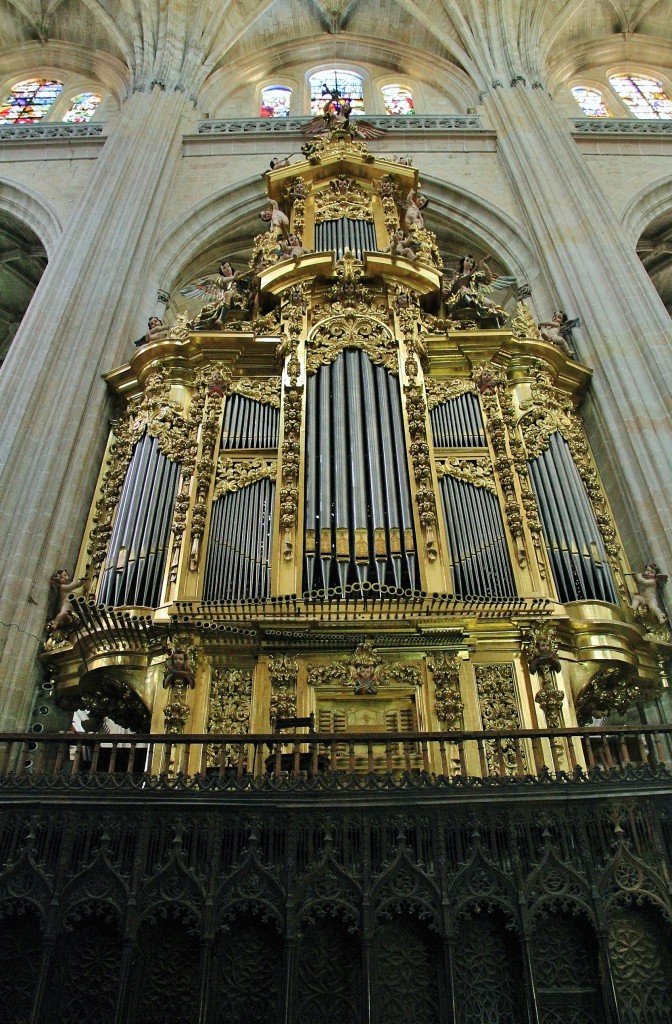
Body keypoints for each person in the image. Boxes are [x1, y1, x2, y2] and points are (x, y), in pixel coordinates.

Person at [443, 254, 507, 323]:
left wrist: (485, 268)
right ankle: (474, 304)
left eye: (471, 262)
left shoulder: (475, 275)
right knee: (463, 289)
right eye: (467, 261)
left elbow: (488, 279)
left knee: (490, 305)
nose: (469, 263)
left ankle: (497, 321)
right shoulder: (457, 277)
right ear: (463, 262)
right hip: (459, 298)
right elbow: (450, 289)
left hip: (475, 295)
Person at [47, 569, 85, 634]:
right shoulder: (62, 586)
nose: (65, 577)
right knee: (63, 613)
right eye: (62, 577)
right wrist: (76, 579)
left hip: (74, 603)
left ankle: (84, 619)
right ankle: (55, 623)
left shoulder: (66, 585)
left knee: (82, 612)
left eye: (65, 575)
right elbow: (73, 586)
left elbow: (78, 585)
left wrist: (82, 581)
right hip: (66, 603)